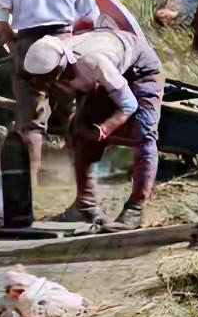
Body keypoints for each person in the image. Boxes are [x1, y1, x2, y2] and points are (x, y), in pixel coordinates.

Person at [20, 29, 164, 231]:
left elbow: (129, 105)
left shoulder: (94, 62)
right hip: (104, 69)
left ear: (60, 68)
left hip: (139, 67)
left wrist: (104, 129)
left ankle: (135, 208)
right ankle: (86, 206)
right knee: (81, 132)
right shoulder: (52, 66)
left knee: (144, 133)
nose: (42, 86)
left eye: (46, 80)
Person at [0, 0, 99, 178]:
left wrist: (11, 41)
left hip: (29, 47)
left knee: (31, 122)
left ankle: (29, 188)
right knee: (72, 116)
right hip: (66, 47)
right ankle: (79, 183)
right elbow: (91, 18)